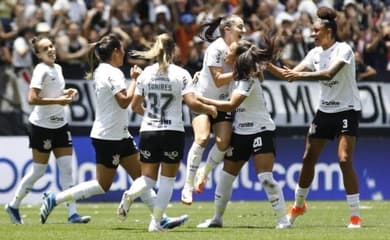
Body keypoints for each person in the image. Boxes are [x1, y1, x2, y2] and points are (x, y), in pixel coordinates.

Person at [39, 34, 187, 229]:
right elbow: (124, 101)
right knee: (103, 185)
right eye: (123, 50)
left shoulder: (102, 69)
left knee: (142, 178)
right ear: (116, 52)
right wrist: (134, 80)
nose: (124, 53)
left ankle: (160, 218)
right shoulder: (113, 72)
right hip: (108, 137)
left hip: (120, 134)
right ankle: (54, 199)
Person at [267, 6, 362, 228]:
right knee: (309, 157)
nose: (312, 34)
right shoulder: (314, 54)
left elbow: (329, 73)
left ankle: (355, 216)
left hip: (347, 110)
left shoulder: (344, 50)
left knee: (344, 159)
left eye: (316, 30)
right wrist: (264, 63)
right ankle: (298, 205)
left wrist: (300, 74)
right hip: (324, 112)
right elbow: (290, 76)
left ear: (328, 31)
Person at [116, 33, 217, 232]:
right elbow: (192, 103)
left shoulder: (145, 74)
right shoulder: (181, 74)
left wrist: (150, 116)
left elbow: (135, 106)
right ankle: (155, 223)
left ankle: (130, 194)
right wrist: (209, 110)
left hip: (149, 131)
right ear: (173, 50)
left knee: (147, 179)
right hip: (172, 131)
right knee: (167, 181)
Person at [195, 39, 291, 229]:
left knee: (265, 178)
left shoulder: (248, 78)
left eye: (230, 51)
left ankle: (283, 220)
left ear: (239, 57)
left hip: (260, 131)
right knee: (225, 177)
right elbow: (216, 81)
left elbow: (231, 105)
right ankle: (217, 219)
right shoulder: (236, 74)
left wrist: (201, 99)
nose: (225, 54)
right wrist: (202, 77)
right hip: (240, 133)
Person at [5, 36, 90, 224]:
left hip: (60, 125)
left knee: (67, 169)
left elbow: (54, 92)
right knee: (38, 171)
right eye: (45, 49)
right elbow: (31, 98)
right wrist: (59, 101)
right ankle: (14, 204)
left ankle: (72, 214)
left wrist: (68, 92)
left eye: (51, 46)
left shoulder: (57, 68)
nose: (51, 50)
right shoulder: (40, 70)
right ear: (38, 55)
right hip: (42, 127)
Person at [181, 14, 246, 205]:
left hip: (223, 102)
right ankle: (187, 186)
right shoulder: (216, 48)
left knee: (223, 143)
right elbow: (217, 79)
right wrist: (239, 72)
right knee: (201, 138)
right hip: (202, 100)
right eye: (239, 27)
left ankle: (204, 172)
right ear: (227, 29)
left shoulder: (239, 50)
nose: (243, 30)